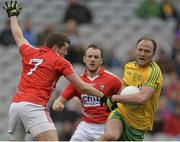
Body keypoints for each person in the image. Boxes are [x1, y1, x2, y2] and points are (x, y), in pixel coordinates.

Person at [2, 1, 105, 141]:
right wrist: (105, 98)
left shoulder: (31, 51)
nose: (66, 53)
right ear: (56, 48)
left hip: (16, 106)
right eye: (65, 49)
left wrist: (13, 16)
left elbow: (18, 36)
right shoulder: (60, 61)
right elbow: (82, 86)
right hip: (34, 106)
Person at [98, 37, 164, 141]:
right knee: (111, 136)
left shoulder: (154, 72)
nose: (142, 53)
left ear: (153, 54)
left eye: (147, 51)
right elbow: (125, 90)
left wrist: (115, 98)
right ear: (135, 50)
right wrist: (114, 100)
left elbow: (142, 98)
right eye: (140, 49)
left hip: (138, 125)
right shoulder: (128, 66)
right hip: (121, 113)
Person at [53, 43, 122, 141]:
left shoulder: (113, 80)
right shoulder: (77, 81)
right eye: (89, 56)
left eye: (96, 57)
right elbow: (60, 100)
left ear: (101, 60)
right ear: (84, 59)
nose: (92, 59)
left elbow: (126, 96)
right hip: (85, 126)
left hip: (107, 126)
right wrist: (57, 104)